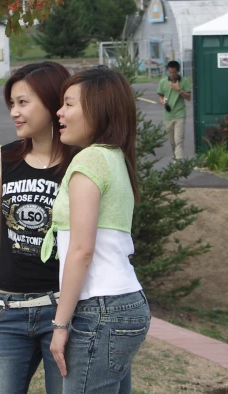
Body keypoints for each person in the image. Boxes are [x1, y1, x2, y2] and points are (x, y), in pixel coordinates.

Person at [42, 67, 149, 394]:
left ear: (98, 110)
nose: (59, 112)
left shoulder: (88, 162)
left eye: (69, 104)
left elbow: (81, 250)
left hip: (99, 309)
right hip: (124, 303)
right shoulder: (115, 158)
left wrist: (60, 325)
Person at [0, 62, 77, 394]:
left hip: (62, 312)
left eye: (23, 102)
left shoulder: (80, 164)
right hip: (7, 312)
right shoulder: (4, 160)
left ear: (50, 102)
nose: (14, 113)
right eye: (12, 104)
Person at [157, 60, 192, 159]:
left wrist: (179, 90)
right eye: (170, 72)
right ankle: (175, 158)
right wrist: (163, 102)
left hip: (179, 114)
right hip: (168, 115)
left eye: (174, 72)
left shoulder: (184, 81)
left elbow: (188, 97)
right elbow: (160, 96)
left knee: (178, 140)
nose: (172, 75)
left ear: (178, 71)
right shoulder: (163, 82)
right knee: (172, 142)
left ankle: (179, 163)